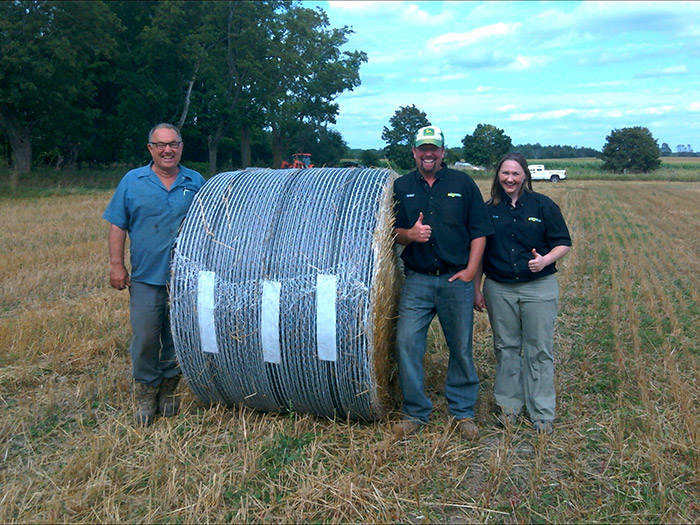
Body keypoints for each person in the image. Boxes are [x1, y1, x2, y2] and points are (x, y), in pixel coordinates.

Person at [392, 126, 493, 440]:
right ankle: (415, 412)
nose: (428, 153)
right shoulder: (401, 186)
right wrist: (409, 235)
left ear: (443, 152)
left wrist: (470, 272)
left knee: (460, 348)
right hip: (417, 281)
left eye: (433, 148)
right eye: (422, 148)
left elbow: (479, 231)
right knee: (406, 344)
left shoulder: (463, 183)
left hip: (455, 280)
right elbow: (389, 230)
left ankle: (462, 413)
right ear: (414, 152)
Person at [103, 123, 206, 427]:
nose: (167, 150)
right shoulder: (133, 181)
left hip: (184, 280)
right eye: (160, 144)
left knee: (177, 337)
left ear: (181, 147)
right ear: (150, 148)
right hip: (146, 278)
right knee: (146, 338)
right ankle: (146, 392)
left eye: (173, 144)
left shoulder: (195, 181)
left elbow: (212, 226)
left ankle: (170, 390)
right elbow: (117, 224)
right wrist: (117, 265)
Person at [474, 152, 571, 435]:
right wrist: (476, 288)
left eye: (516, 173)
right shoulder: (487, 209)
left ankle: (542, 412)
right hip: (499, 288)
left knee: (539, 350)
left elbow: (563, 243)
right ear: (498, 177)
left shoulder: (543, 205)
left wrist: (544, 260)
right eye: (505, 173)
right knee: (506, 348)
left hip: (538, 288)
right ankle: (508, 409)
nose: (510, 179)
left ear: (525, 176)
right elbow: (479, 252)